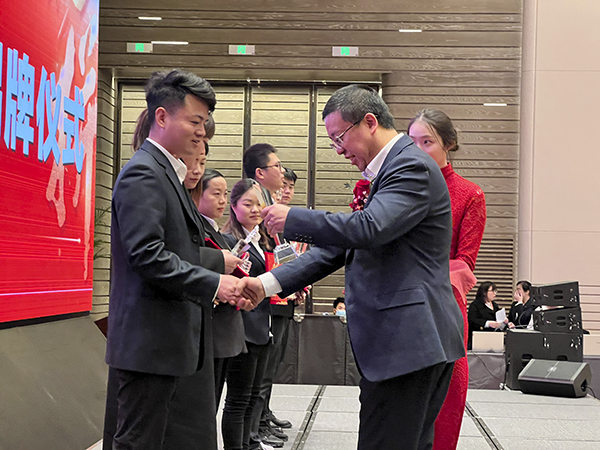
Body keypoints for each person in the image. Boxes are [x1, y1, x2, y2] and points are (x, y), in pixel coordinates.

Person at [239, 84, 465, 450]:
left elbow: (368, 228)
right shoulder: (392, 170)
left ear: (370, 122)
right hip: (406, 344)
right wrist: (265, 284)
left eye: (339, 137)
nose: (338, 149)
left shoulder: (410, 166)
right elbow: (340, 248)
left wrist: (293, 217)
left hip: (409, 343)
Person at [104, 69, 253, 450]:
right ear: (162, 116)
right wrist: (215, 282)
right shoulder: (144, 173)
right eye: (195, 121)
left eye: (204, 123)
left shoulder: (166, 172)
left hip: (166, 344)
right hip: (149, 345)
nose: (201, 132)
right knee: (138, 441)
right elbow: (148, 256)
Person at [408, 109, 486, 450]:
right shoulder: (398, 188)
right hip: (400, 305)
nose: (418, 150)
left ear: (449, 144)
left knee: (446, 397)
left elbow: (464, 263)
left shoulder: (469, 194)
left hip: (443, 305)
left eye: (427, 142)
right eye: (411, 142)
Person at [221, 179, 278, 450]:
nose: (255, 209)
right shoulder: (231, 241)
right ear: (233, 207)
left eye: (259, 204)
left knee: (254, 395)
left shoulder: (260, 240)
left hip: (262, 325)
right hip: (243, 327)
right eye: (248, 204)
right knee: (238, 399)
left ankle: (250, 444)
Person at [243, 144, 293, 444]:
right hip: (263, 298)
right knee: (257, 373)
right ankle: (254, 427)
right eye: (278, 166)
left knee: (270, 366)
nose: (282, 172)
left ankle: (262, 417)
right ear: (260, 173)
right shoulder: (257, 207)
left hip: (278, 294)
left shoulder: (272, 205)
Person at [197, 169, 247, 407]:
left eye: (225, 194)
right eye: (216, 194)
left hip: (225, 326)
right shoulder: (197, 229)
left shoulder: (216, 230)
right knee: (205, 404)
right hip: (209, 325)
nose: (222, 201)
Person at [468, 281, 507, 349]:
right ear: (484, 292)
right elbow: (472, 320)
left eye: (495, 291)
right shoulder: (475, 305)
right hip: (480, 338)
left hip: (494, 337)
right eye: (492, 291)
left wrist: (503, 322)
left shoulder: (495, 305)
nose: (494, 294)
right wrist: (488, 323)